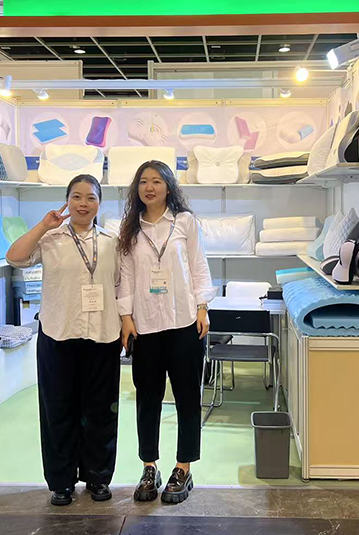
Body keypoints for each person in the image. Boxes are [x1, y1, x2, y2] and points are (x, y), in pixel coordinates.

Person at [6, 174, 121, 507]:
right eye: (76, 197)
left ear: (99, 203)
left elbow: (118, 284)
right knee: (58, 409)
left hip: (103, 334)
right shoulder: (51, 238)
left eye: (90, 198)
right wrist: (44, 225)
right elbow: (14, 257)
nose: (83, 204)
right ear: (67, 201)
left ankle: (98, 477)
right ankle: (61, 481)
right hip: (58, 333)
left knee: (101, 411)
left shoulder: (112, 242)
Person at [117, 160, 214, 505]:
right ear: (137, 188)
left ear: (168, 187)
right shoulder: (130, 228)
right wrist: (125, 317)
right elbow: (126, 276)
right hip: (145, 326)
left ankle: (183, 468)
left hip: (185, 322)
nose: (150, 187)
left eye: (157, 181)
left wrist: (203, 307)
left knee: (187, 397)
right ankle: (149, 467)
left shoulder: (185, 222)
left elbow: (199, 265)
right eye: (143, 181)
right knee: (147, 400)